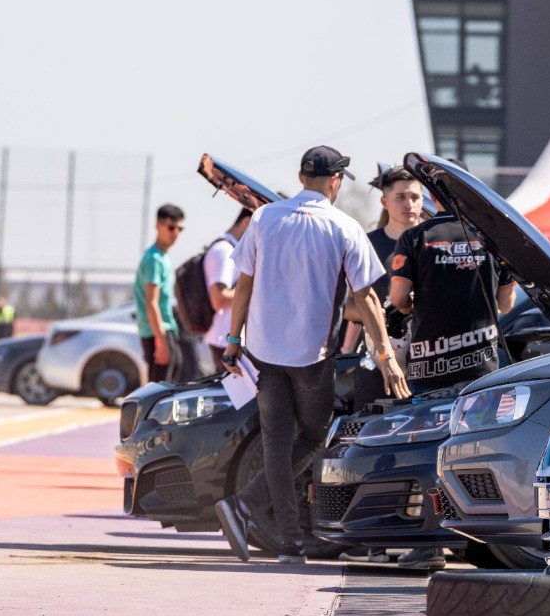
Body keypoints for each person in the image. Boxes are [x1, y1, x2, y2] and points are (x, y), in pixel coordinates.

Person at [215, 145, 408, 565]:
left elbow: (243, 284)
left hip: (263, 353)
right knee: (313, 438)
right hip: (311, 354)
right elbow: (369, 300)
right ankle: (249, 508)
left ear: (301, 178)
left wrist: (233, 340)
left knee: (276, 443)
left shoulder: (265, 217)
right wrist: (386, 357)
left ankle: (286, 542)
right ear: (335, 181)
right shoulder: (344, 226)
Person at [385, 193, 517, 571]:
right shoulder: (492, 236)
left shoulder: (415, 236)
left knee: (432, 451)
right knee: (481, 451)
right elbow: (506, 305)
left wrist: (415, 305)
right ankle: (487, 541)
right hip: (483, 367)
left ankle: (429, 546)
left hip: (429, 367)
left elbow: (397, 298)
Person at [343, 165, 428, 408]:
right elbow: (345, 305)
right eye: (400, 197)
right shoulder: (367, 245)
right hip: (377, 364)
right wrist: (373, 314)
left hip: (429, 366)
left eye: (414, 197)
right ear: (384, 201)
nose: (408, 204)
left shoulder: (434, 242)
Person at [135, 203, 185, 383]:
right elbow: (151, 302)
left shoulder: (163, 257)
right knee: (159, 388)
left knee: (170, 380)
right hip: (157, 331)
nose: (175, 233)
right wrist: (161, 339)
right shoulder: (153, 259)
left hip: (165, 328)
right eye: (171, 227)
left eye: (179, 228)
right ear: (158, 225)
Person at [202, 207, 253, 372]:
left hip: (226, 337)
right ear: (247, 222)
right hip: (224, 338)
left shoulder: (231, 249)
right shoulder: (225, 251)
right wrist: (252, 290)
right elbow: (219, 298)